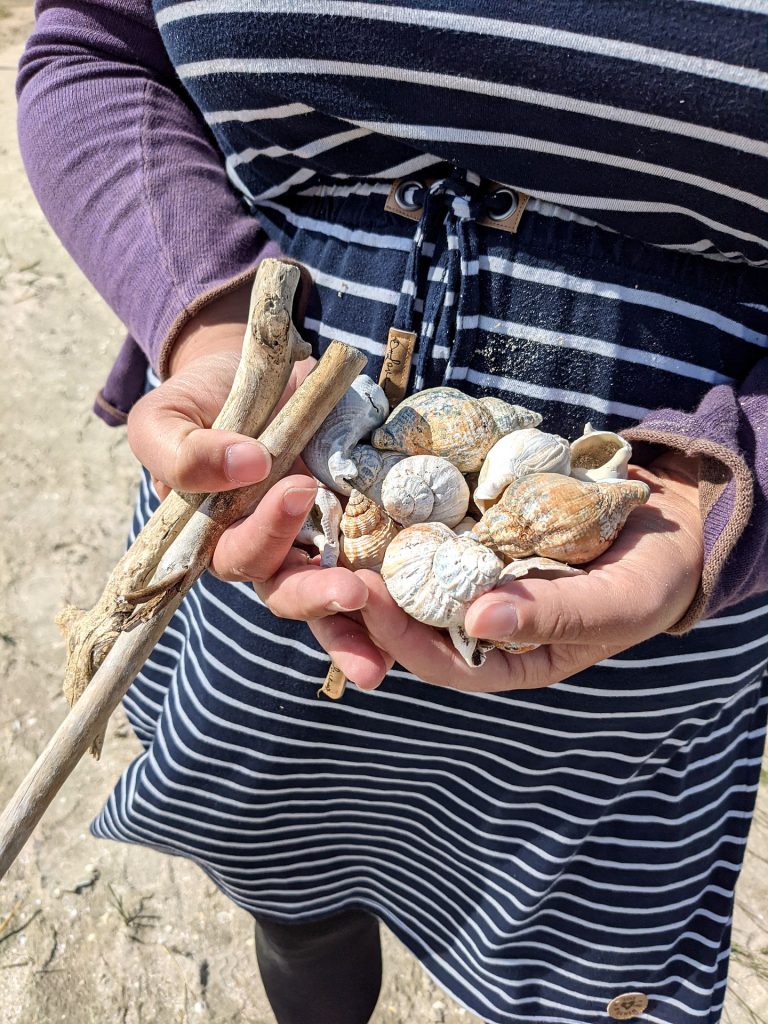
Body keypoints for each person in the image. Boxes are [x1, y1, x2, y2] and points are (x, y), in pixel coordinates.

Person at [16, 2, 768, 1022]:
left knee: (588, 975)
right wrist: (214, 327)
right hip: (270, 543)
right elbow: (98, 49)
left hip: (647, 643)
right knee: (285, 874)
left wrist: (722, 488)